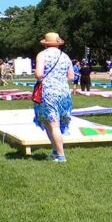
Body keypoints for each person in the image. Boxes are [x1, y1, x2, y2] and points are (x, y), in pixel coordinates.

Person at [33, 32, 74, 163]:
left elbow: (39, 74)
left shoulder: (42, 55)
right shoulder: (65, 56)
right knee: (51, 123)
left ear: (45, 43)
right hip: (64, 92)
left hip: (48, 92)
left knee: (52, 124)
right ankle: (55, 151)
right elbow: (71, 77)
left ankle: (61, 155)